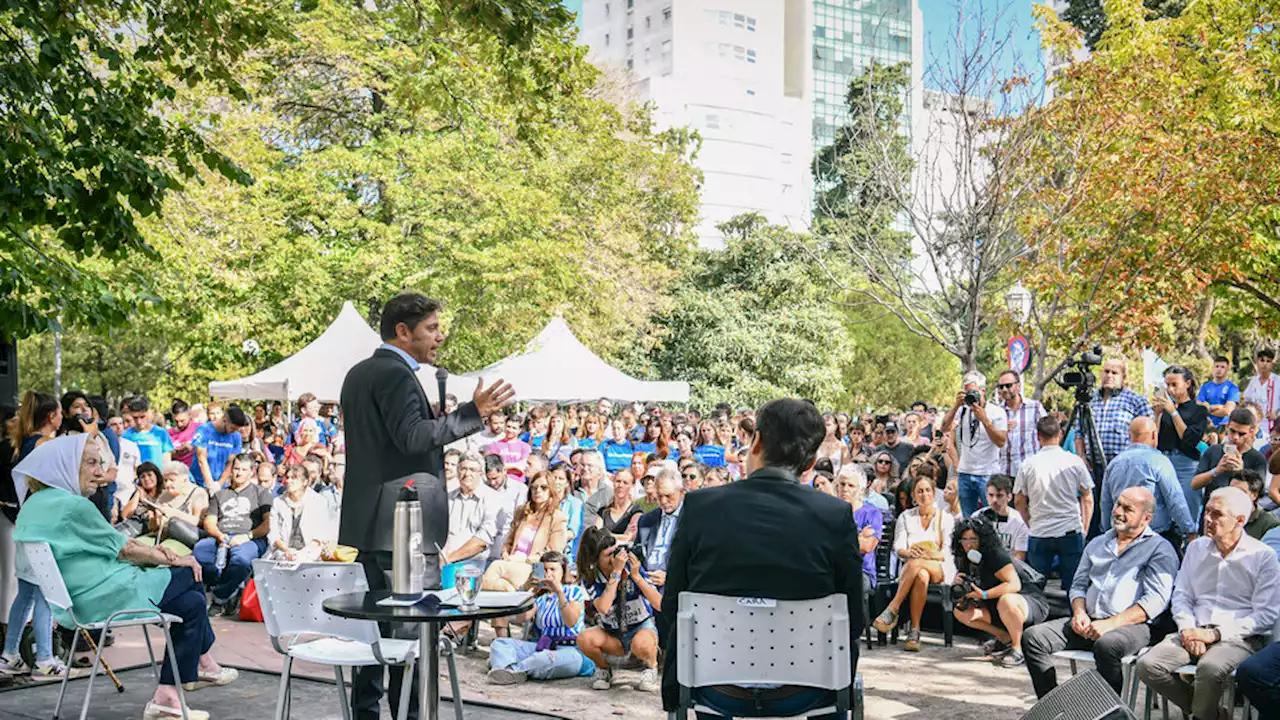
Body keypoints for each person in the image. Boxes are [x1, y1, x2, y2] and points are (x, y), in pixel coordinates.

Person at [339, 293, 512, 720]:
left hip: (368, 524)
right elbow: (413, 438)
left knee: (375, 637)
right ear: (403, 331)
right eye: (432, 328)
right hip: (403, 528)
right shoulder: (396, 375)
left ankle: (366, 714)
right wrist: (473, 412)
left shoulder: (358, 374)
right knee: (410, 641)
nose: (440, 336)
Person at [658, 398, 863, 718]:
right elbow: (854, 617)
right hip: (807, 689)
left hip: (716, 688)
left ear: (756, 441)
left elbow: (671, 604)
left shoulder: (699, 507)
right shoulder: (834, 515)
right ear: (809, 465)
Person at [11, 434, 235, 719]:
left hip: (74, 601)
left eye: (100, 463)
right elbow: (126, 548)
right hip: (105, 597)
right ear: (64, 466)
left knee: (191, 605)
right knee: (192, 574)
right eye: (91, 463)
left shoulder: (32, 505)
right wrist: (178, 558)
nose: (99, 472)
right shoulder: (73, 506)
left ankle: (169, 695)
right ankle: (202, 659)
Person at [1137, 487, 1280, 720]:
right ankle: (1211, 715)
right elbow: (1182, 595)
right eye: (1207, 511)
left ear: (1240, 521)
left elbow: (1264, 615)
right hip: (1193, 629)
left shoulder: (1261, 556)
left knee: (1210, 669)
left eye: (1217, 514)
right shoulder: (1196, 547)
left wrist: (1215, 635)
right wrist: (1188, 630)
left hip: (1237, 638)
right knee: (1148, 665)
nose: (1207, 518)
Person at [1022, 487, 1178, 698]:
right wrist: (1079, 613)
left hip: (1133, 628)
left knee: (1107, 645)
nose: (1118, 511)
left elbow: (1155, 601)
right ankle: (1052, 708)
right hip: (1088, 622)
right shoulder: (1098, 543)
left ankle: (1108, 712)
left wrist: (1111, 624)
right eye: (1118, 504)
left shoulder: (1159, 548)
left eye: (1128, 508)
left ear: (1146, 518)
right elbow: (1078, 585)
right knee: (1034, 637)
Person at [950, 518, 1049, 668]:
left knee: (1007, 600)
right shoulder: (964, 558)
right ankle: (1005, 639)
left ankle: (1018, 648)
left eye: (973, 539)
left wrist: (984, 595)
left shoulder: (996, 555)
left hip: (1027, 602)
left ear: (982, 539)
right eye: (964, 540)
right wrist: (960, 587)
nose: (968, 544)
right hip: (996, 604)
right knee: (961, 612)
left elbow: (1014, 584)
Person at [486, 551, 596, 685]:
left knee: (543, 659)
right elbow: (522, 618)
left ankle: (509, 668)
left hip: (571, 651)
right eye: (544, 569)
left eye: (552, 569)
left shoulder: (574, 592)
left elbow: (571, 621)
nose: (548, 574)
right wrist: (528, 589)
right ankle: (511, 670)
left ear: (563, 571)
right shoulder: (541, 598)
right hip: (543, 647)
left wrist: (559, 593)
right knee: (500, 643)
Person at [872, 475, 956, 651]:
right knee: (921, 575)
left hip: (939, 566)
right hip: (913, 568)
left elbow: (947, 552)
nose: (924, 494)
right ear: (914, 495)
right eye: (920, 491)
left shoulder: (945, 518)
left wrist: (928, 554)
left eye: (927, 490)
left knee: (918, 564)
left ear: (934, 493)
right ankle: (915, 632)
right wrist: (908, 552)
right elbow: (899, 547)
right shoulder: (906, 517)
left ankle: (893, 608)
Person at [576, 527, 664, 693]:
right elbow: (603, 607)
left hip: (640, 628)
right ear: (595, 560)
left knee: (642, 644)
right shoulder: (591, 578)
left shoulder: (632, 568)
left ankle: (651, 667)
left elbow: (659, 604)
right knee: (585, 638)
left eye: (615, 551)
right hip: (612, 633)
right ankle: (604, 669)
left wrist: (637, 577)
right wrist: (616, 573)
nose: (615, 557)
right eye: (609, 555)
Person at [1015, 416, 1094, 591]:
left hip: (1039, 531)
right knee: (1074, 587)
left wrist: (1029, 522)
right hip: (1070, 529)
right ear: (1060, 435)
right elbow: (1087, 497)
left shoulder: (1028, 464)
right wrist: (1085, 526)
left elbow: (1019, 500)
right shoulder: (1074, 461)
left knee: (1035, 587)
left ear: (1038, 437)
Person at [1100, 417, 1196, 551]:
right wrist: (1189, 530)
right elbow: (1175, 499)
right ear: (1154, 435)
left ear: (1130, 436)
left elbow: (1105, 503)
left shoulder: (1114, 463)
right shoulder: (1159, 461)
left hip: (1121, 535)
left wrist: (1108, 531)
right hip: (1154, 537)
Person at [193, 454, 272, 616]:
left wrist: (247, 536)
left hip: (249, 537)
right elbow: (209, 522)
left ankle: (219, 598)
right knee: (200, 553)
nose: (238, 473)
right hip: (221, 536)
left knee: (241, 561)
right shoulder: (220, 494)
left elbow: (267, 524)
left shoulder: (261, 493)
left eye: (244, 469)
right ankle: (231, 590)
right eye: (236, 469)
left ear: (252, 472)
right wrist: (219, 535)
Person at [482, 472, 568, 596]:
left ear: (551, 490)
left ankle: (511, 591)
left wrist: (525, 559)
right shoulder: (522, 512)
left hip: (535, 566)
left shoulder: (558, 517)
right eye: (534, 487)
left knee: (495, 567)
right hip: (511, 562)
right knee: (497, 580)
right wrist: (505, 553)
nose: (538, 491)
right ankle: (510, 589)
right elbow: (509, 541)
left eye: (543, 487)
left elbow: (553, 552)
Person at [941, 371, 1009, 517]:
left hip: (987, 474)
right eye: (967, 392)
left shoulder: (997, 412)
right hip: (965, 473)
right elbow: (944, 427)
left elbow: (1001, 441)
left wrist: (985, 420)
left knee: (991, 518)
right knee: (968, 519)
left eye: (973, 391)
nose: (970, 395)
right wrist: (955, 405)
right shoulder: (962, 410)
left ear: (982, 390)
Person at [1152, 366, 1209, 525]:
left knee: (1188, 513)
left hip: (1186, 464)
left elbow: (1189, 439)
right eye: (1167, 385)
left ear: (1187, 384)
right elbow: (1153, 440)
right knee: (1160, 511)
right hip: (1163, 461)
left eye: (1174, 384)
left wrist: (1173, 413)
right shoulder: (1165, 411)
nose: (1170, 389)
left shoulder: (1198, 410)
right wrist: (1157, 415)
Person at [1079, 358, 1155, 466]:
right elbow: (1079, 432)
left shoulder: (1136, 400)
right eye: (1106, 371)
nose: (1109, 376)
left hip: (1124, 465)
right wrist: (1081, 457)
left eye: (1114, 373)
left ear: (1123, 377)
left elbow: (1150, 432)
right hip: (1092, 466)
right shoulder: (1089, 400)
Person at [1192, 407, 1267, 514]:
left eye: (1242, 434)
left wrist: (1241, 473)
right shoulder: (1214, 451)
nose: (1236, 437)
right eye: (1232, 431)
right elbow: (1194, 484)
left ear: (1251, 432)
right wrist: (1216, 471)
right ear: (1227, 426)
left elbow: (1258, 493)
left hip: (1239, 517)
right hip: (1212, 514)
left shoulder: (1257, 459)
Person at [439, 453, 500, 575]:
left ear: (481, 474)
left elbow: (482, 541)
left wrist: (449, 558)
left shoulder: (492, 499)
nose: (467, 474)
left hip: (472, 567)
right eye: (463, 469)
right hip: (442, 565)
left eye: (472, 470)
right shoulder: (447, 498)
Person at [836, 464, 883, 611]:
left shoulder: (872, 513)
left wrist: (838, 541)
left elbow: (866, 547)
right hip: (833, 567)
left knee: (855, 582)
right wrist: (858, 537)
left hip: (861, 570)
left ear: (861, 489)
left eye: (851, 485)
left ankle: (854, 631)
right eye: (842, 484)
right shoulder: (830, 511)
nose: (845, 489)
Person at [267, 464, 337, 561]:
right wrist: (287, 550)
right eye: (287, 478)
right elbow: (273, 534)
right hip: (283, 551)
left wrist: (300, 554)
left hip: (310, 552)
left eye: (294, 478)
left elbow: (320, 535)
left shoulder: (319, 501)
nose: (289, 481)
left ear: (305, 482)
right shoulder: (278, 502)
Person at [634, 466, 684, 590]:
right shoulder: (646, 520)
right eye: (659, 496)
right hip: (645, 583)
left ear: (681, 492)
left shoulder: (691, 519)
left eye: (668, 496)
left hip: (674, 586)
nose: (663, 501)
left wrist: (671, 578)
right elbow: (636, 553)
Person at [480, 450, 528, 564]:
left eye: (495, 478)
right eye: (489, 479)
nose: (492, 482)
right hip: (483, 548)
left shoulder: (519, 490)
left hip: (505, 547)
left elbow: (519, 521)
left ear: (504, 471)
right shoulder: (481, 488)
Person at [190, 405, 249, 491]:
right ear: (224, 420)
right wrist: (210, 484)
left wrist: (219, 484)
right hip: (198, 481)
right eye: (232, 428)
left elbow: (230, 463)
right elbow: (202, 459)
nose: (234, 431)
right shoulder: (204, 430)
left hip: (220, 484)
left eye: (237, 429)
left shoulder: (236, 436)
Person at [997, 370, 1045, 478]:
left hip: (1031, 472)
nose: (1004, 389)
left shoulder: (1035, 407)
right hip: (1005, 472)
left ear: (1018, 386)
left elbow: (1047, 435)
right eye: (1001, 387)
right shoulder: (996, 412)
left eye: (1008, 385)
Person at [972, 474, 1029, 561]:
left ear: (1009, 497)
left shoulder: (1019, 522)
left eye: (999, 496)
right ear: (986, 496)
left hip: (1008, 566)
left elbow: (1020, 555)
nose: (994, 500)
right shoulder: (977, 517)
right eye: (991, 495)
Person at [123, 396, 174, 467]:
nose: (139, 421)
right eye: (135, 418)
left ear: (148, 413)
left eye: (142, 417)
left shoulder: (161, 433)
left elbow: (167, 460)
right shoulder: (126, 436)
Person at [1230, 470, 1280, 540]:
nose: (1233, 494)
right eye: (1230, 489)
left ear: (1254, 495)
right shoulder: (1220, 515)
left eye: (1240, 491)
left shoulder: (1269, 524)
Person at [1243, 348, 1280, 440]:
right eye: (1262, 360)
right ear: (1257, 362)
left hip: (1272, 425)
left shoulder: (1277, 381)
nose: (1265, 364)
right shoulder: (1253, 382)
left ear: (1272, 363)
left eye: (1268, 361)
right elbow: (1246, 401)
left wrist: (1278, 415)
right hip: (1254, 425)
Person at [596, 468, 642, 538]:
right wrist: (621, 536)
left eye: (625, 483)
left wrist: (605, 535)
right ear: (613, 482)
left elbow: (631, 537)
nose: (620, 485)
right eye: (618, 481)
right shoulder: (603, 511)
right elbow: (596, 536)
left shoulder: (636, 510)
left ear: (632, 485)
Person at [1199, 356, 1241, 430]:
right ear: (1213, 368)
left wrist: (1207, 409)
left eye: (1222, 367)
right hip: (1206, 425)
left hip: (1224, 427)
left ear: (1227, 369)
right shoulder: (1205, 386)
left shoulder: (1232, 388)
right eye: (1217, 366)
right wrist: (1217, 407)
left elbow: (1227, 411)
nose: (1219, 369)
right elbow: (1198, 405)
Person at [488, 415, 532, 482]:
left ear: (519, 430)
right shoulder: (495, 445)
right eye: (508, 427)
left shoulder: (525, 446)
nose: (510, 430)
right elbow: (494, 466)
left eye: (514, 428)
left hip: (519, 483)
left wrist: (504, 467)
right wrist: (516, 465)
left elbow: (523, 467)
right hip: (500, 483)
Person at [573, 450, 613, 521]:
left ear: (599, 470)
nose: (585, 468)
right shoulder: (570, 489)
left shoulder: (608, 493)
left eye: (589, 465)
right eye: (582, 465)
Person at [168, 399, 199, 468]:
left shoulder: (200, 428)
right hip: (178, 472)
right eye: (176, 421)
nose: (179, 424)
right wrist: (175, 453)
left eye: (182, 421)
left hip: (196, 473)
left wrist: (193, 447)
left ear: (189, 415)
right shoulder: (168, 433)